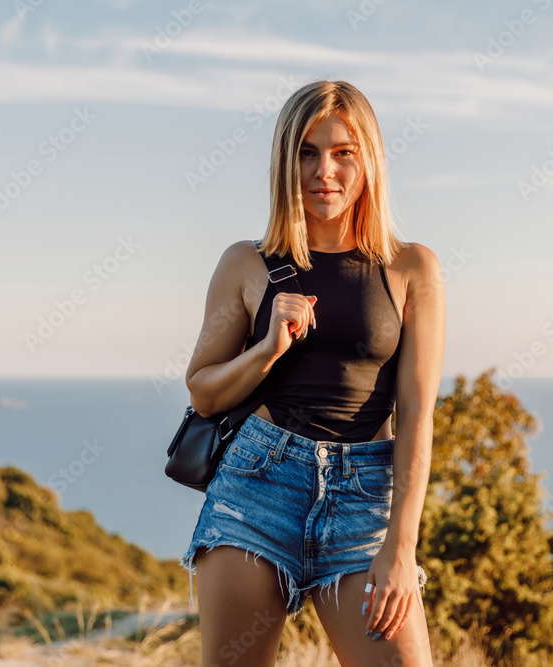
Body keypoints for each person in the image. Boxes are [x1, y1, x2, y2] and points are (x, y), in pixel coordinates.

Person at [180, 79, 445, 667]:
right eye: (306, 151)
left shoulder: (411, 269)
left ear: (368, 159)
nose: (324, 170)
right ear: (283, 161)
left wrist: (402, 545)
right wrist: (266, 351)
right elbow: (202, 393)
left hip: (362, 499)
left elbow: (417, 413)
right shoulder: (246, 263)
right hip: (257, 486)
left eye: (343, 152)